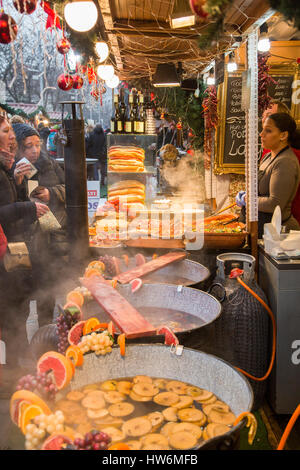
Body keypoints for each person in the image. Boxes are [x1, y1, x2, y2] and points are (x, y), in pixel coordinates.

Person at [0, 113, 49, 378]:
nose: (11, 137)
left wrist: (19, 185)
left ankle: (17, 364)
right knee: (10, 311)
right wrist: (26, 206)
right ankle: (11, 370)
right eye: (6, 131)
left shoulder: (10, 167)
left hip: (15, 248)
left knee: (18, 307)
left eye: (36, 145)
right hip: (6, 251)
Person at [236, 113, 300, 238]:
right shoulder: (268, 156)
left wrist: (246, 199)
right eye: (262, 130)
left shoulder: (285, 162)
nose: (261, 134)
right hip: (261, 229)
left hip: (277, 234)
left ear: (283, 135)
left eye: (268, 131)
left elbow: (274, 204)